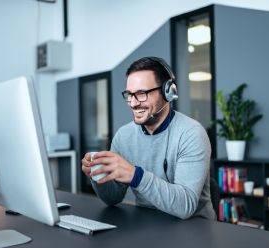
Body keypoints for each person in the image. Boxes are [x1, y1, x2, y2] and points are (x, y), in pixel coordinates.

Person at [81, 57, 215, 220]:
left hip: (194, 231)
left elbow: (185, 206)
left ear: (167, 92)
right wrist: (98, 174)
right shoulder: (123, 137)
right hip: (147, 224)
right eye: (129, 94)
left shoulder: (192, 134)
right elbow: (113, 198)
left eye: (141, 94)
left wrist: (136, 176)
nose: (133, 103)